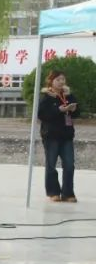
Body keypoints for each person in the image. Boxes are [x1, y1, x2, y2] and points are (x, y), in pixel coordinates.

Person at [37, 70, 80, 203]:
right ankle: (53, 192)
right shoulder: (47, 97)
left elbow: (77, 113)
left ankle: (68, 193)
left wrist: (73, 109)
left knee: (69, 165)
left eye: (63, 79)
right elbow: (42, 115)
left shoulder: (68, 95)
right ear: (51, 81)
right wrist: (58, 110)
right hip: (51, 135)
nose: (61, 82)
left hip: (66, 135)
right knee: (51, 164)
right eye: (58, 80)